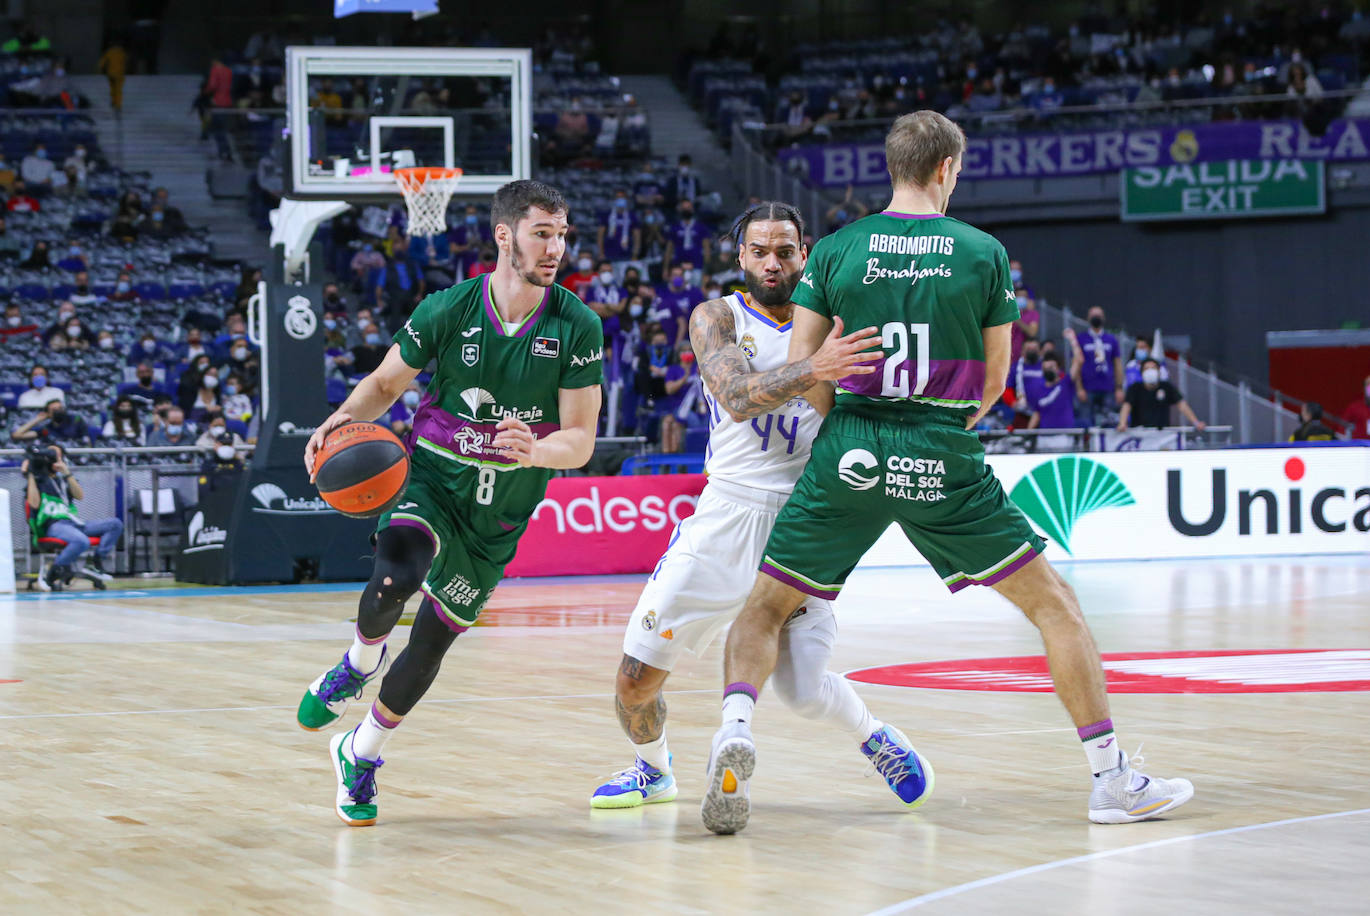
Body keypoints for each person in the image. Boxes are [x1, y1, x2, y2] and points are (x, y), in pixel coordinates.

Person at [700, 111, 1193, 835]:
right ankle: (1110, 780)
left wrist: (856, 423)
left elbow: (807, 368)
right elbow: (996, 380)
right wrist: (942, 429)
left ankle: (734, 727)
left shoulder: (836, 250)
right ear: (945, 170)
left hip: (851, 451)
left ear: (894, 167)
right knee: (1054, 607)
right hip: (941, 449)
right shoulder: (983, 253)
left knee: (764, 611)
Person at [295, 180, 604, 827]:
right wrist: (339, 420)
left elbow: (579, 441)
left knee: (430, 648)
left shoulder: (577, 325)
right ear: (504, 235)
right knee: (394, 578)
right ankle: (356, 662)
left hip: (499, 516)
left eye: (562, 234)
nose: (555, 247)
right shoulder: (448, 309)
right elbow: (384, 383)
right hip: (433, 482)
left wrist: (536, 451)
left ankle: (360, 751)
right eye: (542, 233)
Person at [591, 201, 912, 810]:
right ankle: (653, 770)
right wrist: (814, 369)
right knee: (634, 683)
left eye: (784, 251)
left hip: (807, 516)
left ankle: (878, 739)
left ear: (805, 254)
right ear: (740, 256)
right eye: (759, 251)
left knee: (804, 689)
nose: (772, 262)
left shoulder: (843, 321)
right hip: (727, 515)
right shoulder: (717, 317)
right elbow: (737, 397)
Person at [24, 445, 121, 591]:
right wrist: (31, 474)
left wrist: (67, 473)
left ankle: (94, 563)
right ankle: (51, 575)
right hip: (54, 525)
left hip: (74, 522)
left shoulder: (64, 479)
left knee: (115, 524)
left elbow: (79, 496)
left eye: (57, 456)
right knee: (81, 540)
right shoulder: (39, 479)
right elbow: (33, 504)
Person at [1117, 358, 1206, 432]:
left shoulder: (1166, 386)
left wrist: (1196, 423)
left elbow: (1182, 405)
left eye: (1153, 368)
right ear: (1142, 373)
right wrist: (1122, 423)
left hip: (1162, 434)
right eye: (1146, 369)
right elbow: (1126, 406)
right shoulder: (1135, 388)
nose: (1150, 371)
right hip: (1140, 433)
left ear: (1159, 372)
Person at [1074, 306, 1124, 427]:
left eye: (1099, 315)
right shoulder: (1081, 339)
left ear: (1104, 318)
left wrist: (1119, 388)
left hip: (1108, 388)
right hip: (1087, 388)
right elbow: (1076, 364)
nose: (1096, 318)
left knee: (1110, 421)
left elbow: (1117, 364)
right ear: (1088, 318)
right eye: (1093, 315)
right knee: (1085, 422)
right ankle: (1086, 446)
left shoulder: (1111, 339)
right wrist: (1079, 388)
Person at [13, 398, 87, 444]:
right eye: (54, 410)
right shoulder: (45, 430)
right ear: (48, 414)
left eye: (60, 408)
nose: (59, 411)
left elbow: (87, 441)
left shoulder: (75, 421)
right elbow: (17, 435)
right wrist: (37, 419)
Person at [98, 37, 128, 113]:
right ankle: (118, 105)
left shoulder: (110, 52)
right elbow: (125, 61)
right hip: (119, 74)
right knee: (118, 90)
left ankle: (114, 101)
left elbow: (103, 61)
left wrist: (100, 68)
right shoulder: (122, 52)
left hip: (111, 73)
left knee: (112, 88)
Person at [1341, 374, 1370, 440]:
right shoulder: (1354, 408)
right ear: (1364, 388)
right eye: (1369, 385)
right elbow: (1342, 429)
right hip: (1360, 447)